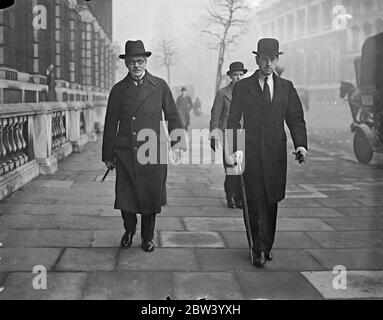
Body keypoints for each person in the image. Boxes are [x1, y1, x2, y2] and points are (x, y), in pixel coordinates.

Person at [226, 38, 308, 268]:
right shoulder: (243, 87)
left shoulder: (286, 87)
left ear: (277, 60)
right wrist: (235, 150)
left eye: (273, 59)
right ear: (257, 59)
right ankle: (257, 249)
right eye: (264, 59)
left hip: (275, 156)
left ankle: (267, 244)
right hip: (249, 154)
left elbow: (295, 119)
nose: (268, 63)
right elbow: (233, 121)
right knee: (253, 202)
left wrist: (300, 145)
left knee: (272, 202)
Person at [102, 40, 185, 252]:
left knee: (150, 197)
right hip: (126, 152)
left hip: (152, 152)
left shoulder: (160, 86)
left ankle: (147, 237)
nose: (136, 65)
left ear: (146, 61)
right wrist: (107, 155)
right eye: (131, 62)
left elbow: (173, 116)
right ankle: (129, 230)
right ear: (126, 64)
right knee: (126, 198)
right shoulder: (119, 90)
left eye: (140, 61)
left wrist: (178, 143)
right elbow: (111, 123)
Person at [209, 61, 247, 209]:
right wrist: (213, 135)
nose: (238, 77)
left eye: (241, 75)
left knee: (242, 168)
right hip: (228, 134)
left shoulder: (249, 93)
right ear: (230, 76)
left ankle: (239, 197)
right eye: (235, 75)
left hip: (245, 134)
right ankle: (230, 196)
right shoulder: (222, 93)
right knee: (231, 167)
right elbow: (216, 115)